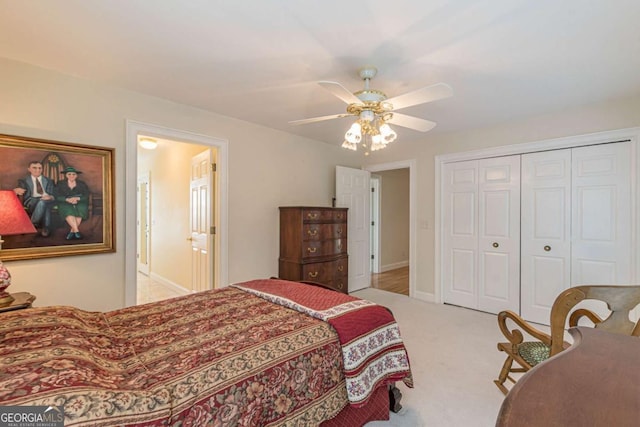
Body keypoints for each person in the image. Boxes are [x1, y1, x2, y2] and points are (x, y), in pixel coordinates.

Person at [13, 160, 55, 237]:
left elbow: (53, 194)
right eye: (34, 168)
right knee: (44, 204)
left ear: (42, 169)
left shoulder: (49, 181)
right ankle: (46, 227)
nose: (37, 170)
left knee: (44, 202)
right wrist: (16, 190)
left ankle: (31, 225)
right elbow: (19, 189)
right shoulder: (23, 181)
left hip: (47, 200)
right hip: (31, 200)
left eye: (40, 168)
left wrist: (50, 197)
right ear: (29, 169)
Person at [55, 166, 90, 240]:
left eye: (73, 174)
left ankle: (72, 231)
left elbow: (86, 195)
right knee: (68, 210)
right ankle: (76, 231)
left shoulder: (82, 184)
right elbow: (57, 196)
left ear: (76, 175)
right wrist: (67, 199)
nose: (71, 176)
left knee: (81, 208)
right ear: (66, 175)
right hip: (65, 202)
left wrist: (78, 198)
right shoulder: (60, 183)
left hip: (79, 201)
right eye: (69, 174)